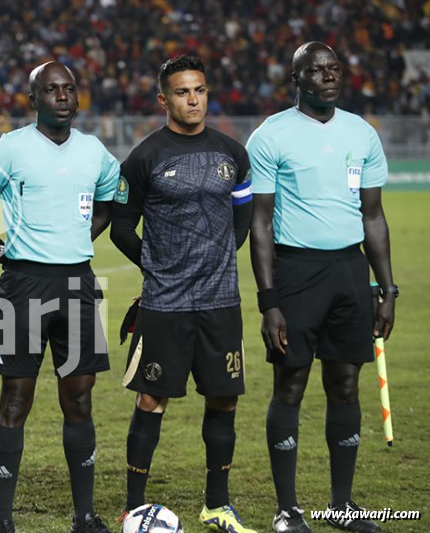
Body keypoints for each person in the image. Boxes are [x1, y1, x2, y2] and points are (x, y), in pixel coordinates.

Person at [0, 61, 118, 533]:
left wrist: (80, 239)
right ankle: (3, 519)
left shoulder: (94, 151)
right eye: (51, 90)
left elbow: (110, 201)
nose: (62, 96)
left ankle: (84, 516)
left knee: (80, 400)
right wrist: (2, 254)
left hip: (77, 284)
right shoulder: (11, 148)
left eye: (69, 88)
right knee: (15, 400)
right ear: (33, 99)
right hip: (24, 286)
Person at [248, 42, 395, 533]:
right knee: (290, 385)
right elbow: (260, 223)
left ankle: (341, 506)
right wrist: (270, 302)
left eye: (335, 68)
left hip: (350, 274)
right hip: (295, 273)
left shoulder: (362, 133)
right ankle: (287, 510)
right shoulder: (271, 135)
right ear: (297, 77)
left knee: (347, 385)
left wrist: (387, 290)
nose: (329, 76)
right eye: (317, 69)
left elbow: (373, 216)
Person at [109, 55, 257, 533]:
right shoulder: (144, 157)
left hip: (220, 302)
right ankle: (134, 507)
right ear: (163, 100)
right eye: (181, 92)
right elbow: (121, 227)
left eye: (199, 90)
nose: (192, 99)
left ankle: (218, 505)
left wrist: (219, 255)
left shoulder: (233, 153)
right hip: (165, 304)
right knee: (151, 402)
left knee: (224, 400)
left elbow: (243, 214)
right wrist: (157, 264)